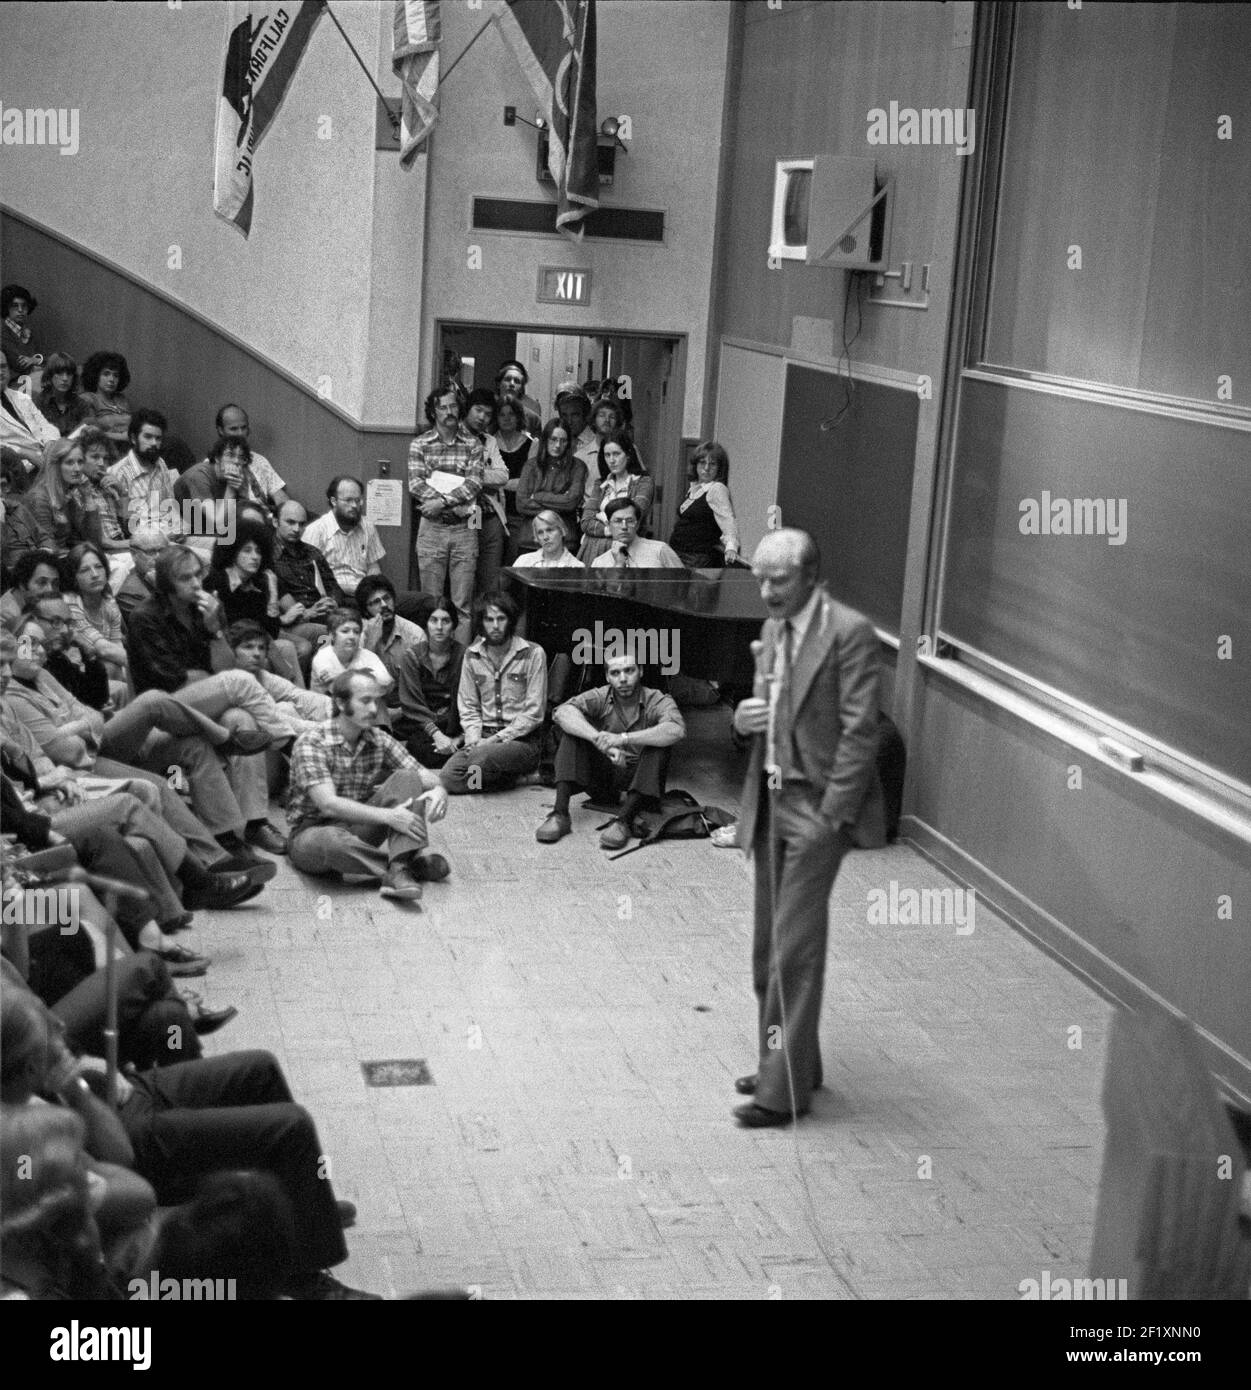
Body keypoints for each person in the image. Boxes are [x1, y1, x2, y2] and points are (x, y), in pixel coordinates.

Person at [730, 529, 886, 1128]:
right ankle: (793, 1061)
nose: (765, 592)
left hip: (818, 807)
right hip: (768, 796)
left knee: (794, 949)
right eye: (760, 579)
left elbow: (861, 732)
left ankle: (781, 1092)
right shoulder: (771, 631)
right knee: (768, 946)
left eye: (778, 581)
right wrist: (743, 722)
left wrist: (832, 817)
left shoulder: (849, 633)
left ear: (811, 577)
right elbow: (766, 714)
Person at [287, 668, 450, 902]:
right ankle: (404, 869)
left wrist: (439, 790)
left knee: (407, 778)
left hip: (358, 825)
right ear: (341, 704)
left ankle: (399, 865)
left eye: (376, 701)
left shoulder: (378, 739)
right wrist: (389, 816)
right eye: (365, 701)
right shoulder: (312, 742)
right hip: (310, 835)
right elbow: (328, 805)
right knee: (332, 840)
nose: (374, 710)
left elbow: (424, 775)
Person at [537, 650, 686, 850]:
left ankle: (623, 821)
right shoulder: (601, 695)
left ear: (640, 671)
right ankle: (560, 814)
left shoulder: (657, 699)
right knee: (572, 733)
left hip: (642, 784)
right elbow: (562, 712)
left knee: (659, 746)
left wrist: (623, 739)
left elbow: (676, 730)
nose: (623, 679)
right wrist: (598, 740)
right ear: (608, 677)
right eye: (615, 673)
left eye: (629, 671)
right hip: (605, 779)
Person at [441, 590, 546, 796]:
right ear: (481, 622)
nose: (495, 626)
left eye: (501, 619)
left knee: (480, 761)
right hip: (482, 738)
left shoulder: (533, 653)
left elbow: (534, 713)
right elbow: (468, 705)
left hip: (521, 741)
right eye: (489, 619)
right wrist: (473, 740)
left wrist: (492, 741)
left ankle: (478, 783)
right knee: (448, 779)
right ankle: (516, 779)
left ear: (511, 620)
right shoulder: (472, 655)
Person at [408, 384, 485, 644]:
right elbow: (416, 484)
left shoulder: (473, 444)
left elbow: (474, 483)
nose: (449, 411)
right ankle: (430, 657)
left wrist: (441, 502)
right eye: (443, 407)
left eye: (453, 406)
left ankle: (459, 665)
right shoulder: (420, 444)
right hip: (431, 529)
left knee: (462, 604)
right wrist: (453, 502)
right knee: (431, 602)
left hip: (466, 528)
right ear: (434, 412)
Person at [203, 520, 304, 687]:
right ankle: (294, 690)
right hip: (224, 644)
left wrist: (272, 592)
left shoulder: (256, 584)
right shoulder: (217, 581)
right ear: (233, 553)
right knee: (272, 650)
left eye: (258, 551)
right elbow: (228, 627)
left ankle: (299, 694)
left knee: (286, 646)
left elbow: (271, 630)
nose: (255, 557)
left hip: (255, 641)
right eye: (247, 551)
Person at [272, 498, 347, 657]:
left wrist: (332, 601)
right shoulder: (268, 555)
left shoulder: (312, 552)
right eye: (290, 522)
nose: (296, 529)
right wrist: (307, 612)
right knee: (335, 635)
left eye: (301, 524)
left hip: (323, 612)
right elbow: (277, 597)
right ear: (275, 522)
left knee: (358, 628)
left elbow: (333, 586)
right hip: (293, 621)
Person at [393, 599, 463, 767]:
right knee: (417, 747)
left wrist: (458, 738)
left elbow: (468, 701)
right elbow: (412, 704)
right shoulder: (412, 656)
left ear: (453, 626)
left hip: (454, 722)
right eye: (434, 620)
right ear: (426, 624)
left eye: (445, 621)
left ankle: (456, 752)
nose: (439, 627)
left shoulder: (464, 655)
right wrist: (437, 735)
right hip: (423, 723)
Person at [173, 436, 264, 564]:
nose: (236, 461)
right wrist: (231, 489)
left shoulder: (239, 475)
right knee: (235, 548)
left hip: (218, 532)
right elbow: (218, 524)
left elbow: (242, 517)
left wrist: (242, 491)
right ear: (217, 457)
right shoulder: (199, 476)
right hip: (188, 534)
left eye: (241, 457)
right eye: (230, 455)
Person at [61, 541, 129, 700]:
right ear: (73, 577)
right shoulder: (69, 603)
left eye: (99, 567)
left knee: (114, 666)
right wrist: (147, 669)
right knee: (110, 666)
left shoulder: (108, 601)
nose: (94, 574)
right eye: (84, 570)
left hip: (103, 667)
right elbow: (104, 649)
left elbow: (116, 644)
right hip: (74, 673)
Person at [102, 407, 181, 540]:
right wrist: (164, 535)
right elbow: (125, 527)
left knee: (219, 546)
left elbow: (170, 504)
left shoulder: (160, 462)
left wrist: (178, 527)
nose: (154, 443)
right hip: (147, 543)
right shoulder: (118, 473)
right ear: (133, 438)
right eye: (148, 437)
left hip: (173, 534)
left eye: (158, 438)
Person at [301, 475, 385, 600]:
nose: (355, 506)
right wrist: (352, 588)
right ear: (334, 501)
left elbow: (373, 565)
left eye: (358, 500)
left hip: (366, 594)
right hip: (335, 595)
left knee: (420, 602)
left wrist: (374, 587)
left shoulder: (367, 526)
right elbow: (309, 576)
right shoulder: (316, 531)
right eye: (348, 500)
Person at [18, 438, 103, 558]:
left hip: (67, 559)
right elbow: (47, 551)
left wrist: (88, 497)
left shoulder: (67, 496)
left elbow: (93, 541)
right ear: (55, 466)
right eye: (70, 463)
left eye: (80, 462)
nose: (77, 469)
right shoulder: (39, 499)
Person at [579, 434, 655, 563]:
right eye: (607, 455)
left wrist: (601, 516)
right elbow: (586, 522)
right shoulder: (600, 484)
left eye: (616, 454)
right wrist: (613, 527)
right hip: (593, 548)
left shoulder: (644, 482)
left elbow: (634, 517)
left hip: (628, 550)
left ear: (628, 455)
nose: (611, 460)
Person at [516, 418, 587, 554]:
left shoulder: (578, 467)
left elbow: (571, 502)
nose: (557, 445)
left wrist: (537, 496)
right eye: (553, 439)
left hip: (565, 541)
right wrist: (560, 500)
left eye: (563, 440)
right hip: (530, 541)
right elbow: (521, 504)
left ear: (569, 443)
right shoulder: (531, 466)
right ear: (545, 440)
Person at [669, 441, 741, 568]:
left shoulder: (716, 489)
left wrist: (731, 547)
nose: (706, 468)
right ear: (695, 464)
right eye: (702, 462)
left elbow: (728, 520)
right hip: (679, 553)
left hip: (697, 558)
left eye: (712, 464)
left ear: (719, 468)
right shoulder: (696, 488)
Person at [357, 574, 426, 704]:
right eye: (376, 602)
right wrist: (371, 642)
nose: (384, 605)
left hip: (407, 707)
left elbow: (422, 687)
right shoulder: (359, 634)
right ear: (366, 611)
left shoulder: (415, 635)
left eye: (387, 598)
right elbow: (358, 684)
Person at [212, 403, 289, 511]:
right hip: (237, 522)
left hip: (267, 517)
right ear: (220, 430)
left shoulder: (259, 460)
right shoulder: (211, 467)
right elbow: (217, 518)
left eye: (243, 428)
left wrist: (288, 513)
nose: (240, 433)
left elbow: (280, 497)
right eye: (233, 429)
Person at [310, 607, 393, 703]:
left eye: (356, 632)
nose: (352, 636)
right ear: (332, 635)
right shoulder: (322, 657)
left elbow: (387, 685)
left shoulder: (368, 656)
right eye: (345, 631)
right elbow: (340, 691)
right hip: (324, 711)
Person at [492, 395, 534, 564]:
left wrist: (498, 482)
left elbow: (527, 483)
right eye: (502, 414)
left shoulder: (531, 444)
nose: (507, 418)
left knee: (513, 561)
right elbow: (481, 479)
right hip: (492, 513)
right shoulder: (489, 443)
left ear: (518, 416)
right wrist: (511, 483)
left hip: (518, 514)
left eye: (511, 414)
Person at [588, 497, 685, 569]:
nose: (624, 527)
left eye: (630, 521)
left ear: (637, 524)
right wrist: (618, 565)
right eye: (618, 521)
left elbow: (683, 585)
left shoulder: (659, 550)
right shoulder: (599, 563)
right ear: (608, 525)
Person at [77, 428, 128, 558]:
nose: (101, 463)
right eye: (95, 457)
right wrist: (131, 543)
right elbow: (98, 541)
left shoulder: (106, 486)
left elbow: (129, 525)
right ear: (80, 459)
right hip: (102, 554)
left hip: (121, 547)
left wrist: (122, 492)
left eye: (105, 458)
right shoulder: (77, 491)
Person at [0, 355, 60, 466]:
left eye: (3, 366)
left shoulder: (21, 397)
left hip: (47, 457)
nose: (0, 372)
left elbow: (45, 425)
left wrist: (50, 442)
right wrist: (25, 453)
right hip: (17, 467)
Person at [77, 351, 133, 446]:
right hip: (105, 449)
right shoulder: (87, 399)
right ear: (96, 376)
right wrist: (124, 436)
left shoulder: (121, 399)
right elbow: (90, 433)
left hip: (131, 446)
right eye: (106, 374)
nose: (111, 379)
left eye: (115, 375)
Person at [113, 528, 167, 622]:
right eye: (150, 552)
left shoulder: (177, 574)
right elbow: (163, 626)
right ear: (134, 554)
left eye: (162, 550)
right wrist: (160, 588)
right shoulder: (128, 593)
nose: (158, 557)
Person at [1, 548, 62, 627]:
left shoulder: (42, 602)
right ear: (22, 584)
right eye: (42, 583)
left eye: (55, 583)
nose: (50, 589)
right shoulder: (6, 618)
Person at [34, 352, 90, 436]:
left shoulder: (81, 404)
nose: (65, 378)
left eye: (69, 374)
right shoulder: (38, 403)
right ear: (50, 375)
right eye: (59, 373)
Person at [513, 509, 584, 569]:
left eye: (550, 530)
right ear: (536, 538)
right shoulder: (523, 562)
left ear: (562, 531)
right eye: (540, 532)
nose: (545, 537)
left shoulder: (577, 567)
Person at [494, 358, 543, 433]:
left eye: (517, 381)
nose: (512, 384)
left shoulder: (532, 417)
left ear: (521, 388)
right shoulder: (489, 409)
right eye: (507, 379)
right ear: (498, 384)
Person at [1, 283, 42, 373]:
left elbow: (44, 359)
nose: (20, 310)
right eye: (15, 305)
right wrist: (36, 364)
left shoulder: (29, 332)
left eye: (24, 305)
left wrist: (35, 360)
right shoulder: (2, 333)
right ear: (6, 307)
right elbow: (18, 364)